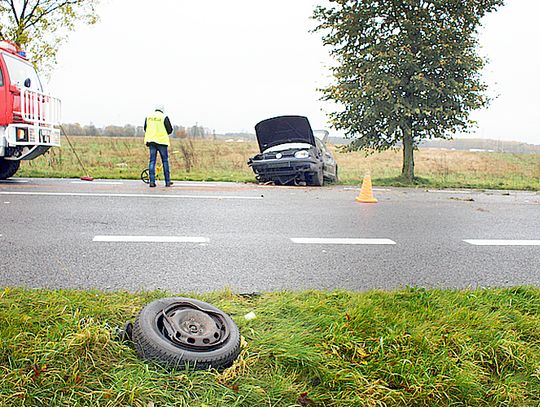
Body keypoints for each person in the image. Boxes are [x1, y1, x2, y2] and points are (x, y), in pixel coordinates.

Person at [144, 105, 174, 187]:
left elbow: (145, 128)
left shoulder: (148, 117)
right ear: (162, 110)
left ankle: (152, 181)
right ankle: (167, 181)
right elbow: (170, 130)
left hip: (151, 141)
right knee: (165, 161)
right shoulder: (164, 117)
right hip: (162, 142)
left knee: (152, 161)